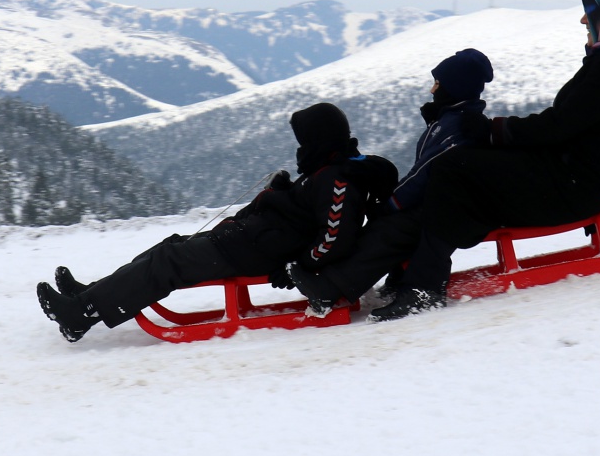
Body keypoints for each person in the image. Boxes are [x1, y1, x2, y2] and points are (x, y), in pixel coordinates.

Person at [292, 0, 600, 322]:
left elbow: (559, 125)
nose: (583, 24)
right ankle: (405, 275)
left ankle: (422, 286)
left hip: (571, 183)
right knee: (459, 173)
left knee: (454, 169)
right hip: (573, 177)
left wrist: (492, 132)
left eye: (590, 17)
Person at [36, 102, 398, 342]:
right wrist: (281, 194)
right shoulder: (323, 170)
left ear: (318, 139)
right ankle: (91, 295)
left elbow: (335, 238)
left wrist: (298, 266)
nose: (299, 146)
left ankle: (80, 315)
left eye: (303, 138)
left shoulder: (338, 179)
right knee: (171, 247)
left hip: (260, 252)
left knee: (170, 262)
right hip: (251, 240)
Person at [289, 48, 494, 314]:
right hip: (448, 202)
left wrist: (391, 203)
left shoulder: (458, 126)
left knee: (396, 226)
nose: (433, 90)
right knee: (395, 222)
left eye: (438, 84)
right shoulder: (449, 120)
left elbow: (424, 175)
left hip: (459, 208)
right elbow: (422, 172)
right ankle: (393, 281)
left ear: (455, 88)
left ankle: (333, 288)